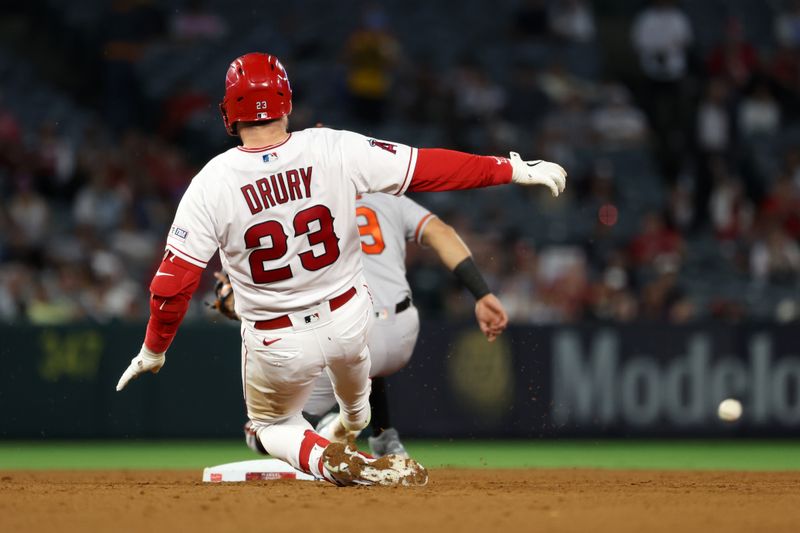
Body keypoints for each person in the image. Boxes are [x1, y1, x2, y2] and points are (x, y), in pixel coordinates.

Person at [115, 52, 566, 487]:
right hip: (352, 322)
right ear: (286, 101)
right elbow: (430, 167)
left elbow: (172, 285)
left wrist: (154, 349)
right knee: (356, 396)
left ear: (229, 113)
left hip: (277, 339)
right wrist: (512, 169)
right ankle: (358, 422)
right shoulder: (333, 146)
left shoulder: (211, 181)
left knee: (269, 427)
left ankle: (334, 460)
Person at [220, 192, 509, 458]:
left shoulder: (305, 203)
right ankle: (385, 438)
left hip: (346, 331)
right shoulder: (389, 196)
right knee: (361, 345)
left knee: (267, 432)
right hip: (402, 332)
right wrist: (482, 294)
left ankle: (339, 425)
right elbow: (441, 232)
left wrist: (241, 305)